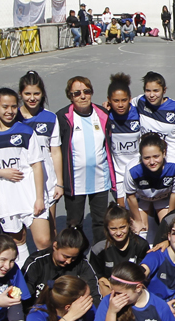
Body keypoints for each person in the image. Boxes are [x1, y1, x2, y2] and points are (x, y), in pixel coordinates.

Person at [0, 87, 51, 261]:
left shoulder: (27, 132)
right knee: (18, 243)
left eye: (14, 107)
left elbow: (37, 165)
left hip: (30, 197)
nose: (10, 111)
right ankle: (26, 281)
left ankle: (49, 282)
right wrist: (1, 172)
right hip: (7, 200)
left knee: (43, 241)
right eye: (5, 106)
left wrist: (39, 198)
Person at [53, 76, 115, 243]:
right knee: (74, 222)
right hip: (74, 181)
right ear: (70, 96)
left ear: (91, 93)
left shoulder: (103, 114)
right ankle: (75, 257)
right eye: (76, 93)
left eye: (86, 92)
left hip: (99, 178)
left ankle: (100, 255)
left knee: (101, 222)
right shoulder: (62, 117)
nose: (82, 96)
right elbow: (56, 149)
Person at [19, 71, 64, 228]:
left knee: (50, 232)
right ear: (20, 94)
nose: (32, 98)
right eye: (27, 94)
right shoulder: (13, 117)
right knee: (19, 235)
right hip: (21, 182)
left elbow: (55, 151)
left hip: (47, 182)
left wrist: (59, 183)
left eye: (36, 93)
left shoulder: (50, 117)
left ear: (42, 94)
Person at [21, 227, 103, 308]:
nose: (69, 261)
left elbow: (94, 291)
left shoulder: (81, 262)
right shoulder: (36, 263)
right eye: (65, 256)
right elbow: (24, 294)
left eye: (73, 258)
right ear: (55, 246)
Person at [126, 133, 175, 243]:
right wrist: (138, 221)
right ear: (140, 156)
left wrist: (169, 218)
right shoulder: (132, 169)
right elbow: (130, 196)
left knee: (169, 227)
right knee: (140, 230)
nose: (152, 162)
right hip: (141, 198)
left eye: (156, 156)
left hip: (163, 198)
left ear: (164, 153)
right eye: (147, 158)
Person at [90, 204, 151, 286]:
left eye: (122, 227)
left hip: (133, 287)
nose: (118, 233)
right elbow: (95, 276)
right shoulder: (99, 249)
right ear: (107, 228)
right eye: (113, 229)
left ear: (129, 224)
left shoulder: (141, 245)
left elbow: (145, 272)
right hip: (110, 288)